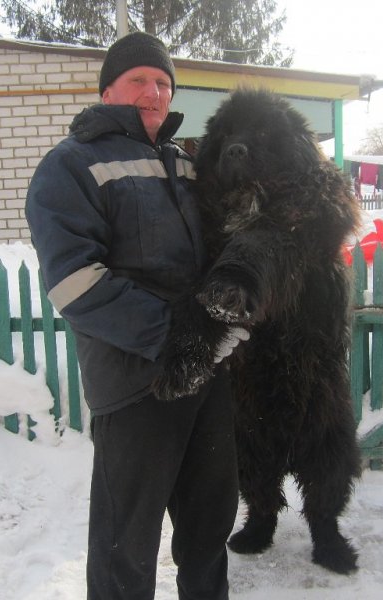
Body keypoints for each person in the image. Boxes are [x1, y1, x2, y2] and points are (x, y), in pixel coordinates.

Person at [25, 32, 246, 600]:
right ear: (107, 91)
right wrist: (182, 336)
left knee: (208, 527)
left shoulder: (188, 165)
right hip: (134, 385)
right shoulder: (70, 166)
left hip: (206, 379)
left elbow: (228, 245)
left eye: (164, 83)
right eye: (139, 80)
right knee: (127, 544)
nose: (154, 92)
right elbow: (76, 284)